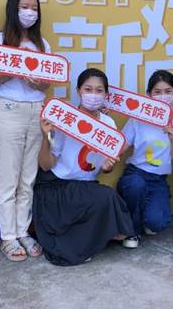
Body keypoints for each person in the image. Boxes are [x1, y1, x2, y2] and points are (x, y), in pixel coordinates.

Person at [34, 68, 134, 265]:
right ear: (78, 91)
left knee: (106, 197)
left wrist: (108, 166)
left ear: (106, 94)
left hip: (85, 186)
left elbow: (106, 167)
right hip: (57, 186)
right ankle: (85, 241)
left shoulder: (108, 123)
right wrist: (45, 136)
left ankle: (102, 235)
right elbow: (46, 165)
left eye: (99, 90)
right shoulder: (65, 118)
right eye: (88, 89)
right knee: (105, 197)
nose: (93, 95)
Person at [0, 0, 48, 261]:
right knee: (8, 179)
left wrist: (37, 81)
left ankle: (23, 232)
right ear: (13, 9)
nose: (30, 13)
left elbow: (46, 84)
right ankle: (8, 237)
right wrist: (12, 70)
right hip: (8, 110)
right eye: (24, 8)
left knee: (28, 179)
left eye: (34, 8)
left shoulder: (42, 45)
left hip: (36, 111)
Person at [117, 70, 173, 248]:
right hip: (136, 174)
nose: (163, 96)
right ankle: (132, 231)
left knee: (157, 223)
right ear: (149, 95)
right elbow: (121, 146)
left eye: (168, 91)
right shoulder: (138, 118)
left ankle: (147, 212)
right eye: (157, 92)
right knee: (135, 186)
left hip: (158, 180)